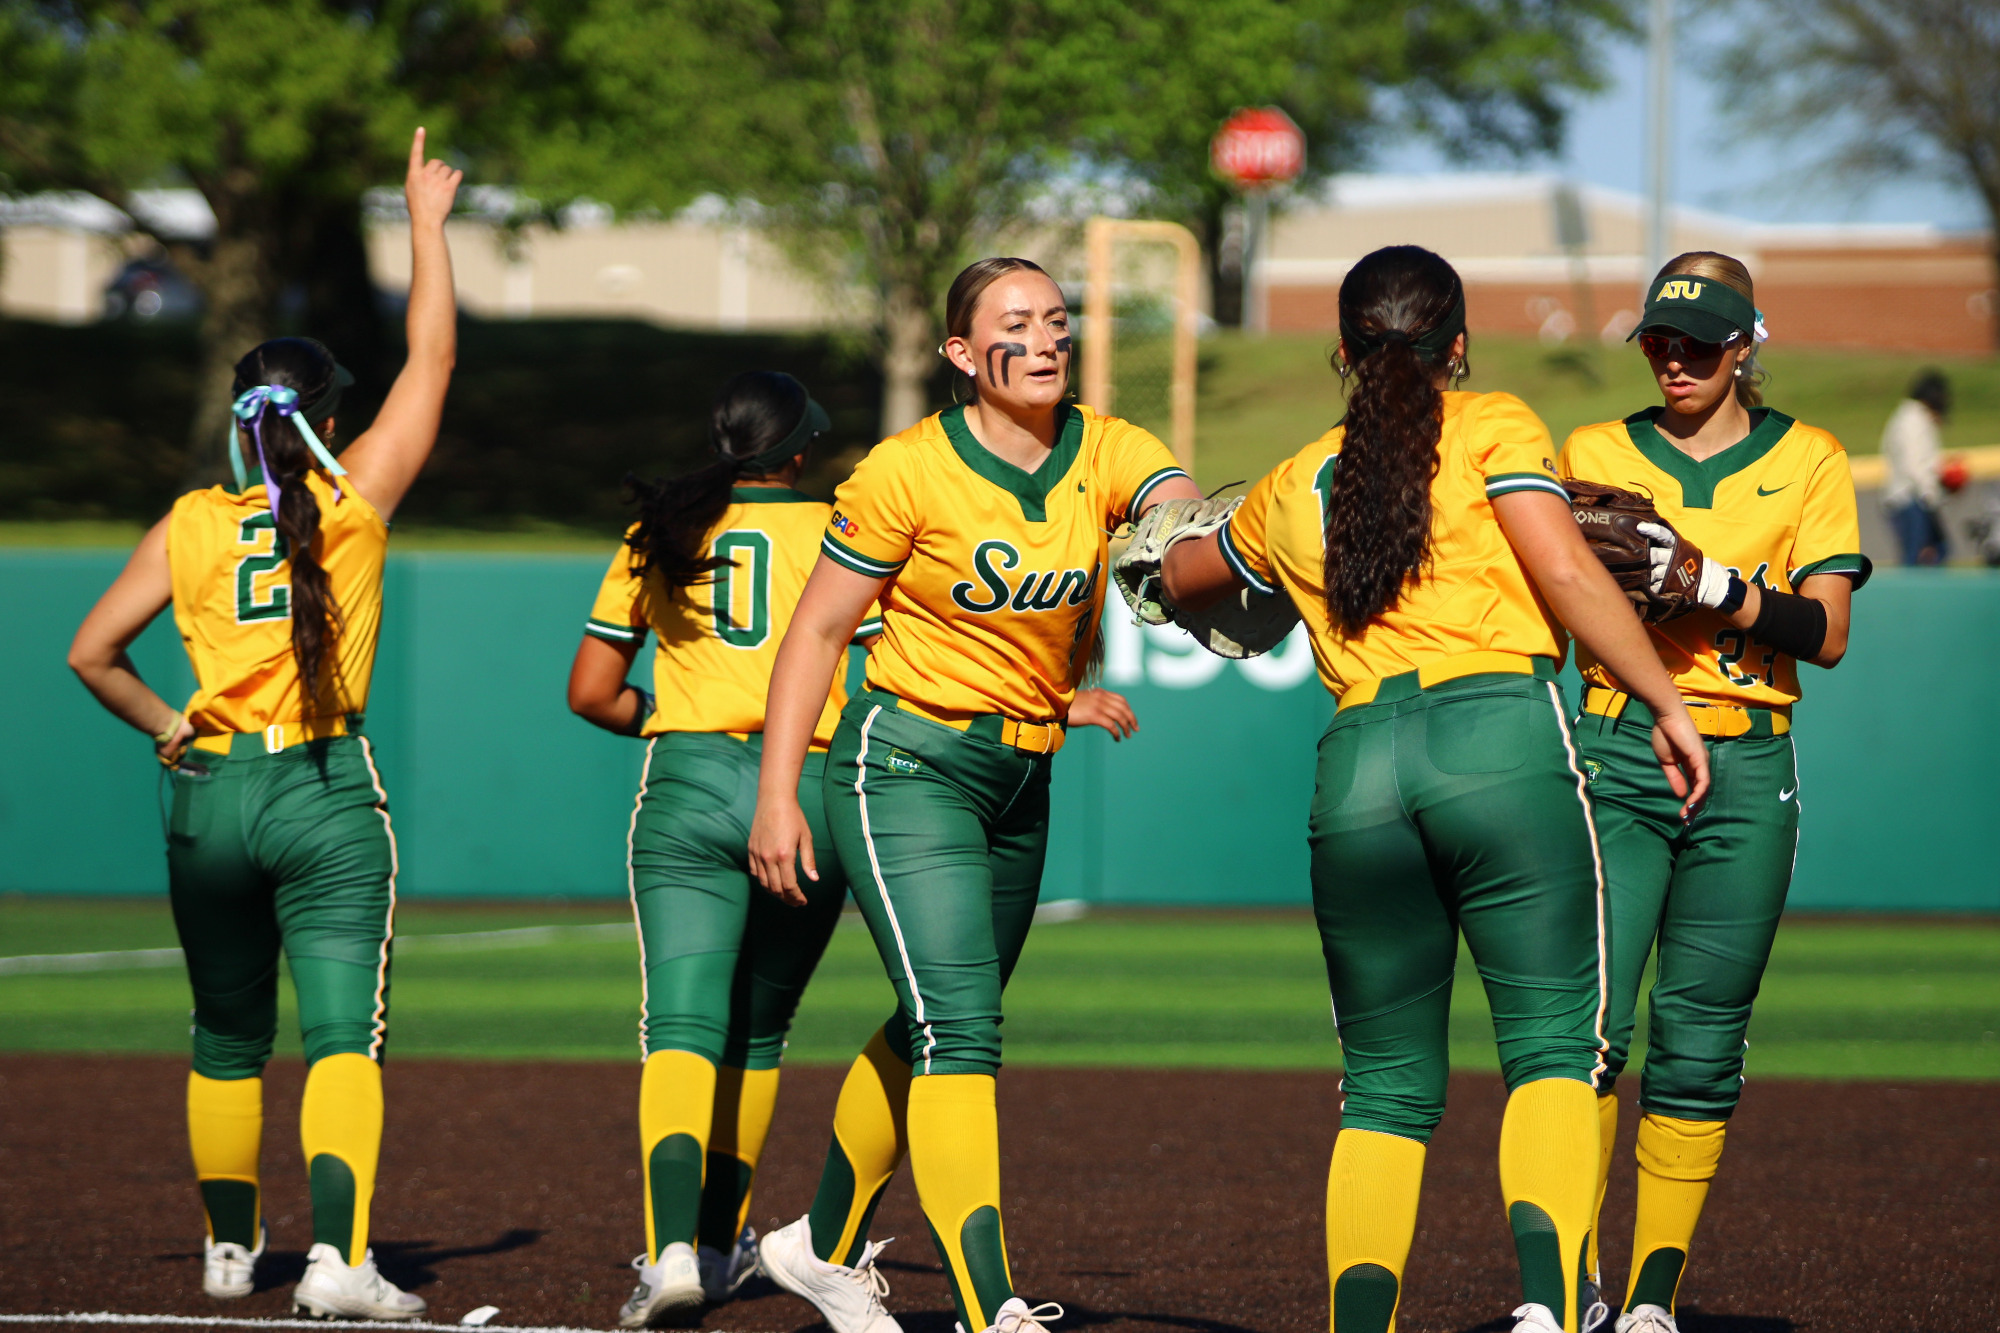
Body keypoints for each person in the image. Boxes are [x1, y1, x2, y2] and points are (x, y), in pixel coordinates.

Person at [1158, 244, 1711, 1333]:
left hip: (1358, 767)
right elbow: (1559, 569)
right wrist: (1663, 698)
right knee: (1554, 1050)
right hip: (1498, 739)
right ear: (1455, 344)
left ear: (1341, 351)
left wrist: (1158, 551)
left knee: (1382, 1092)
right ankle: (1550, 1310)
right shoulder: (1494, 423)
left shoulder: (1294, 480)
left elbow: (1179, 577)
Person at [745, 256, 1197, 1333]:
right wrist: (776, 793)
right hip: (901, 763)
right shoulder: (906, 471)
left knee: (933, 1020)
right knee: (962, 1029)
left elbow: (1171, 501)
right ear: (959, 354)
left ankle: (815, 1245)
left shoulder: (1107, 446)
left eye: (1054, 320)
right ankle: (994, 1306)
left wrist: (1183, 537)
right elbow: (814, 631)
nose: (1043, 340)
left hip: (1019, 774)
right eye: (1014, 325)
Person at [66, 130, 461, 1319]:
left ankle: (229, 1252)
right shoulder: (358, 504)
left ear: (244, 421)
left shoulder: (187, 521)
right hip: (322, 787)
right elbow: (432, 360)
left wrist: (165, 721)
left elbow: (91, 652)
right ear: (326, 423)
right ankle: (340, 1263)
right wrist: (423, 224)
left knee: (225, 1033)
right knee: (342, 1036)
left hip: (209, 793)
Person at [1558, 253, 1867, 1333]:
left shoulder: (1810, 459)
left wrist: (1711, 587)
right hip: (1615, 751)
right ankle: (1568, 1292)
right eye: (1659, 338)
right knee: (1584, 1034)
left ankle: (1649, 1298)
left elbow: (1823, 633)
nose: (1676, 357)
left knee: (1698, 1039)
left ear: (1746, 345)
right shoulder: (1590, 452)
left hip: (1747, 759)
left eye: (1700, 340)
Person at [565, 371, 883, 1328]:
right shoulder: (846, 525)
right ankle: (718, 1241)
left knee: (681, 1027)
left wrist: (683, 721)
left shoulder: (660, 528)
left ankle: (670, 1254)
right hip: (811, 787)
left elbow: (591, 691)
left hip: (690, 782)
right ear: (797, 454)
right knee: (759, 1031)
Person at [1880, 369, 1954, 565]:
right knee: (1919, 554)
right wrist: (1932, 494)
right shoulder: (1913, 420)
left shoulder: (1910, 416)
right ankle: (1911, 595)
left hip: (1910, 497)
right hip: (1910, 499)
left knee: (1931, 551)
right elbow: (1915, 465)